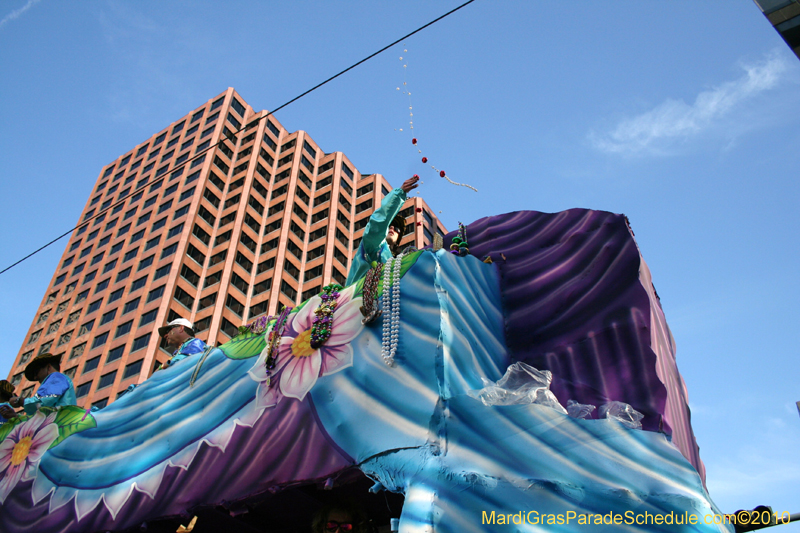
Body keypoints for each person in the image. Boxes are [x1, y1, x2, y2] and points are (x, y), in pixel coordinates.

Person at [345, 175, 419, 286]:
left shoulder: (395, 263)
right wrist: (399, 194)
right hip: (358, 295)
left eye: (397, 228)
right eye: (389, 226)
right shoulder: (374, 246)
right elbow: (378, 224)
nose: (392, 228)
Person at [6, 353, 77, 416]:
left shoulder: (56, 376)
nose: (35, 377)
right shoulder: (59, 379)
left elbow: (43, 401)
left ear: (49, 367)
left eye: (36, 372)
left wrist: (19, 401)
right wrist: (15, 416)